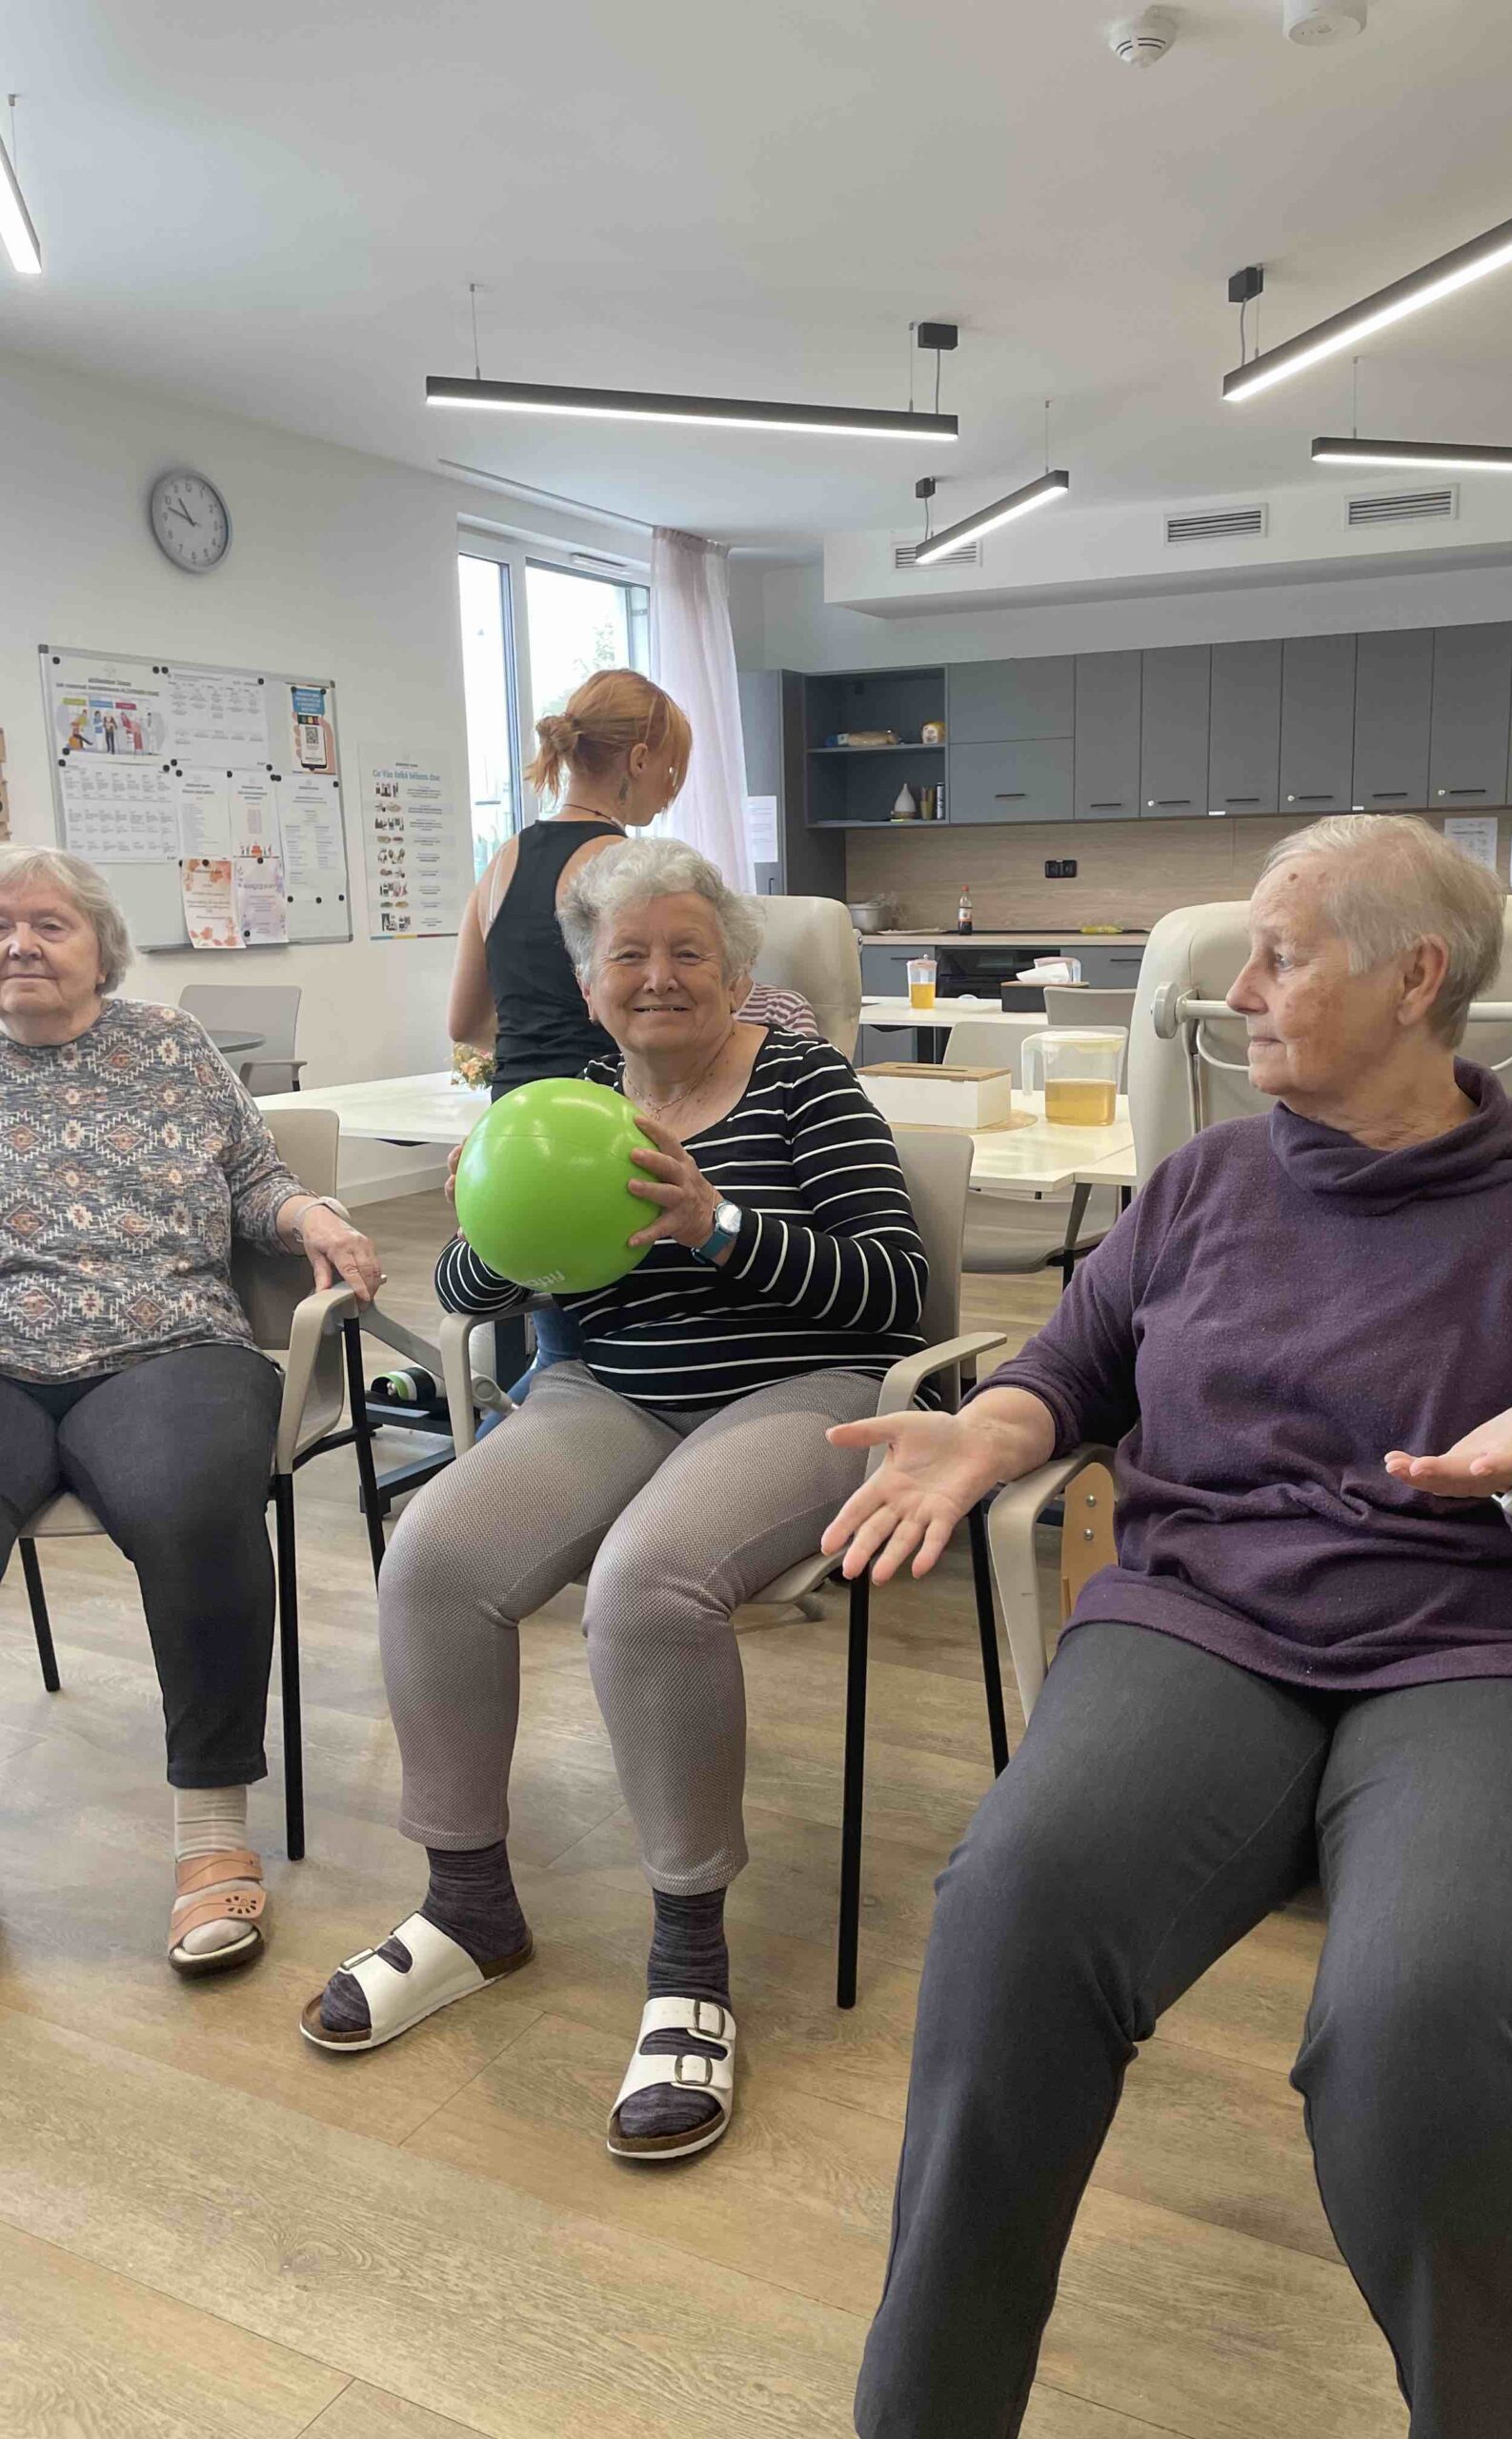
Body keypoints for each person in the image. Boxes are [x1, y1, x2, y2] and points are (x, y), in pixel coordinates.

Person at [827, 814, 1512, 2439]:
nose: (1234, 992)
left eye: (1278, 957)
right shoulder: (1208, 1181)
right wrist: (993, 1430)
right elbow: (1078, 1357)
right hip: (1222, 1618)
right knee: (1010, 1915)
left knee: (1425, 2017)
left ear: (1414, 980)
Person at [301, 838, 928, 2163]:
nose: (658, 976)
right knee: (433, 1555)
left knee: (649, 1584)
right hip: (615, 1394)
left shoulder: (803, 1081)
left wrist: (717, 1225)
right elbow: (464, 1292)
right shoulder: (559, 1107)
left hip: (800, 1389)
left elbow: (897, 1291)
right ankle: (468, 1904)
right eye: (627, 955)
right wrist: (498, 1235)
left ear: (737, 974)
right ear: (588, 987)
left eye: (688, 951)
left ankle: (690, 1958)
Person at [0, 845, 382, 1975]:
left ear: (101, 947)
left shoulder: (170, 1044)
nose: (19, 943)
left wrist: (310, 1213)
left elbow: (255, 1176)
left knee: (194, 1504)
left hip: (169, 1346)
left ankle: (211, 1831)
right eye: (1, 926)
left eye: (49, 924)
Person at [444, 667, 816, 1405]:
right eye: (671, 772)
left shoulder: (505, 859)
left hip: (517, 1122)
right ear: (640, 760)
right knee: (603, 1336)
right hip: (605, 1124)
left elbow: (468, 1024)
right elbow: (677, 1003)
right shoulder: (620, 870)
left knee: (567, 1336)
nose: (669, 793)